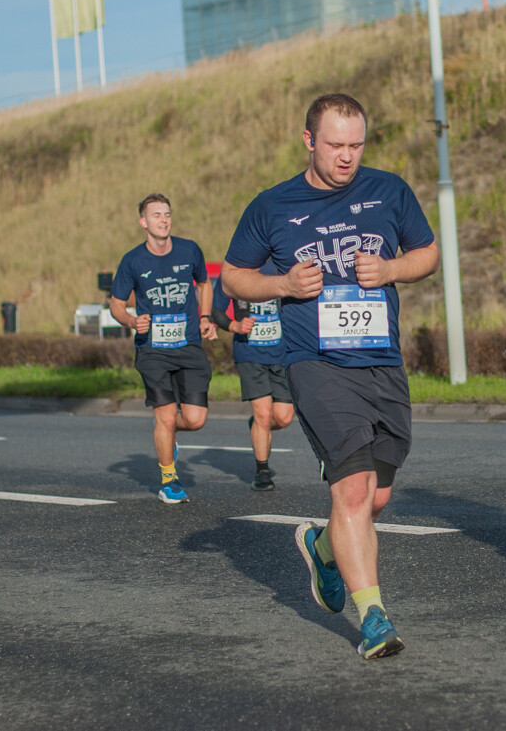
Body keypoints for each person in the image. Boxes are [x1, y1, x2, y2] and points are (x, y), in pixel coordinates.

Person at [222, 93, 438, 659]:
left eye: (356, 145)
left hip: (381, 360)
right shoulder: (272, 206)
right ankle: (374, 618)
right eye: (335, 145)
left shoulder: (389, 190)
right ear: (309, 141)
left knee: (378, 496)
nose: (347, 157)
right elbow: (233, 277)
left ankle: (322, 547)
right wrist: (284, 286)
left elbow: (428, 253)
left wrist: (391, 268)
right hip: (315, 363)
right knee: (352, 489)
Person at [109, 193, 217, 504]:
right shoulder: (133, 260)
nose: (164, 219)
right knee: (166, 416)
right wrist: (132, 321)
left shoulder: (189, 250)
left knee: (195, 419)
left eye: (167, 214)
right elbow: (116, 304)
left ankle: (168, 436)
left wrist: (206, 317)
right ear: (143, 222)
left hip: (188, 345)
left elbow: (204, 284)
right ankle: (169, 480)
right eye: (156, 215)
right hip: (152, 349)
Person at [210, 262, 294, 492]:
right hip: (249, 353)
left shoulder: (282, 266)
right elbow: (216, 311)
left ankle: (258, 426)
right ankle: (262, 471)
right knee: (264, 414)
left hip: (281, 353)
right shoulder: (234, 272)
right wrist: (235, 325)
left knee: (284, 417)